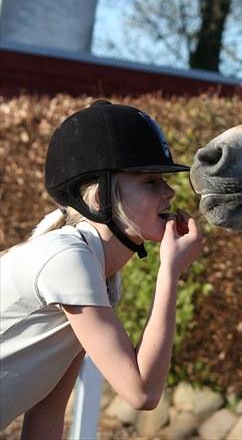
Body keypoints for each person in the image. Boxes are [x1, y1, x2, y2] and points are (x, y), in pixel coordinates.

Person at [0, 100, 204, 438]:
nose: (169, 193)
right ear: (100, 198)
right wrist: (170, 270)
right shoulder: (69, 260)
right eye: (150, 182)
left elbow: (46, 418)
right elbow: (141, 392)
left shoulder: (98, 273)